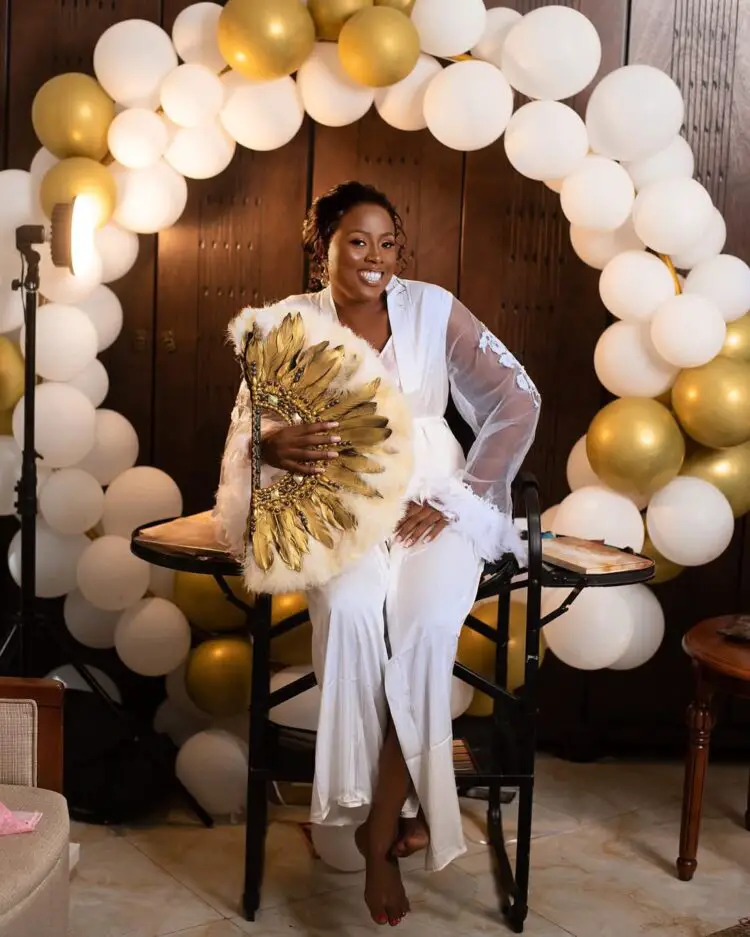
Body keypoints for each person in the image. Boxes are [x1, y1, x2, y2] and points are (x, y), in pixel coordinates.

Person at [230, 182, 540, 926]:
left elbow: (517, 398)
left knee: (429, 630)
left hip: (434, 496)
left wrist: (464, 494)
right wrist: (271, 440)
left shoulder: (434, 307)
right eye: (357, 241)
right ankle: (366, 812)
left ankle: (377, 834)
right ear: (323, 246)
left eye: (388, 242)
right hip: (336, 504)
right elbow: (247, 429)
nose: (375, 258)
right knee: (358, 618)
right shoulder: (287, 323)